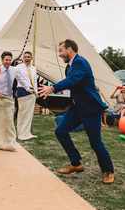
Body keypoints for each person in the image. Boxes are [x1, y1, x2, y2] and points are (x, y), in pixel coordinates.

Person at [39, 39, 114, 184]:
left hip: (91, 109)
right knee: (60, 131)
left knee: (95, 143)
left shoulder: (80, 62)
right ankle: (76, 164)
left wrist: (53, 88)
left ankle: (108, 171)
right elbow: (73, 85)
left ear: (70, 49)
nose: (59, 54)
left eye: (61, 50)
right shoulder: (69, 67)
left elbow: (73, 80)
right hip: (77, 108)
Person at [0, 51, 18, 151]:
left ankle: (9, 143)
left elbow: (22, 79)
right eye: (6, 60)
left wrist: (29, 88)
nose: (8, 61)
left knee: (9, 122)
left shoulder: (14, 70)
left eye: (10, 60)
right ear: (2, 60)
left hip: (9, 99)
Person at [15, 51, 38, 140]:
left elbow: (35, 81)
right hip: (23, 91)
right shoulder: (18, 67)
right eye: (25, 57)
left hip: (32, 93)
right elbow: (19, 79)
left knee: (29, 115)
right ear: (23, 58)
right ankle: (21, 134)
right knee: (22, 114)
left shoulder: (33, 68)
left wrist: (36, 92)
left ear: (31, 58)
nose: (27, 58)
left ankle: (27, 133)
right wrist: (28, 88)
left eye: (29, 57)